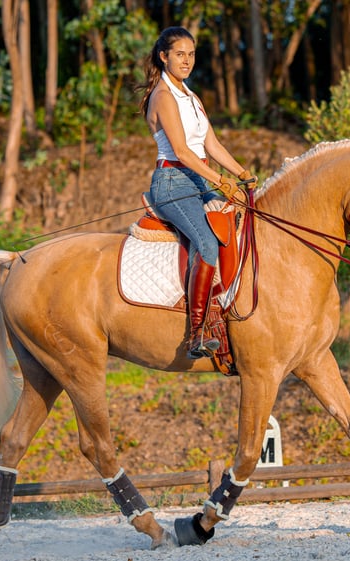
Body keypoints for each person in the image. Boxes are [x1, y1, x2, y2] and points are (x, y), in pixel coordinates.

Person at [138, 26, 257, 360]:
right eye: (179, 54)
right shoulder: (162, 96)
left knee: (243, 221)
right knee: (205, 243)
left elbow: (211, 144)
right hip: (173, 182)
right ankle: (196, 333)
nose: (186, 61)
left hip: (199, 179)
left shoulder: (191, 96)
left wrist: (242, 173)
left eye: (191, 55)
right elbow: (183, 152)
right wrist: (221, 182)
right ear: (164, 56)